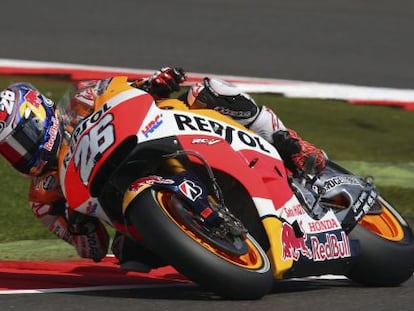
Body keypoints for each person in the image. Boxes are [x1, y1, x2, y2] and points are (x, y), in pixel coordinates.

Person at [0, 67, 326, 271]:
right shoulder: (44, 198)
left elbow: (122, 90)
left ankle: (291, 144)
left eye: (21, 138)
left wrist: (155, 81)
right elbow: (94, 251)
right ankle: (210, 256)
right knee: (129, 257)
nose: (22, 152)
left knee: (207, 90)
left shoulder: (82, 100)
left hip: (162, 132)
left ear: (40, 112)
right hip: (130, 202)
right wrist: (79, 227)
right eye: (9, 150)